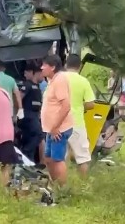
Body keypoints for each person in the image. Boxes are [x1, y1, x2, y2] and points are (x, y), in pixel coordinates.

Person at [41, 55, 73, 186]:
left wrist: (56, 127)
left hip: (58, 128)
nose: (41, 68)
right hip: (51, 129)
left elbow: (66, 105)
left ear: (53, 67)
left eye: (44, 65)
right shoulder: (52, 81)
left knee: (57, 159)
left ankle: (63, 190)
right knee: (48, 158)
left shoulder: (60, 80)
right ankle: (55, 186)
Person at [65, 54, 95, 177]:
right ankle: (82, 185)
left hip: (59, 123)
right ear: (80, 66)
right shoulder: (83, 81)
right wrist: (80, 106)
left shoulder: (58, 79)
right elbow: (90, 104)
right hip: (76, 122)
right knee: (82, 157)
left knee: (61, 157)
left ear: (65, 64)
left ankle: (61, 184)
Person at [18, 64, 45, 164]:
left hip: (34, 116)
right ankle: (25, 152)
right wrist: (19, 111)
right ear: (36, 73)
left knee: (31, 138)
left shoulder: (37, 87)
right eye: (42, 74)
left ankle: (29, 162)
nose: (43, 76)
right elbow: (19, 98)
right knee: (39, 135)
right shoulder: (27, 85)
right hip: (28, 115)